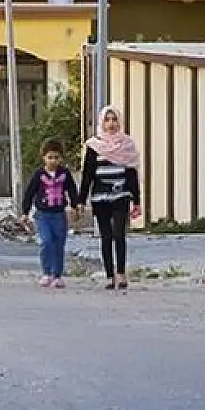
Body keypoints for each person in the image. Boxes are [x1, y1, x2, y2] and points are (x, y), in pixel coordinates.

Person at [79, 106, 142, 290]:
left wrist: (137, 200)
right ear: (102, 123)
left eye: (114, 119)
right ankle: (109, 275)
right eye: (107, 120)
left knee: (119, 234)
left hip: (121, 195)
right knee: (106, 236)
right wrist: (81, 200)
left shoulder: (127, 145)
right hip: (100, 197)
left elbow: (132, 174)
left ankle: (121, 273)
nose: (111, 124)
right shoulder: (94, 146)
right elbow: (88, 174)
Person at [20, 138, 80, 289]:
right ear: (44, 158)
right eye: (50, 157)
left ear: (61, 158)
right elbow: (29, 193)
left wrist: (75, 206)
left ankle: (57, 275)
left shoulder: (64, 174)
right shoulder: (39, 175)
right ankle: (46, 272)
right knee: (46, 242)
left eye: (56, 157)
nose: (53, 161)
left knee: (59, 243)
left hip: (59, 214)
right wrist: (25, 212)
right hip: (43, 215)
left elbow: (72, 190)